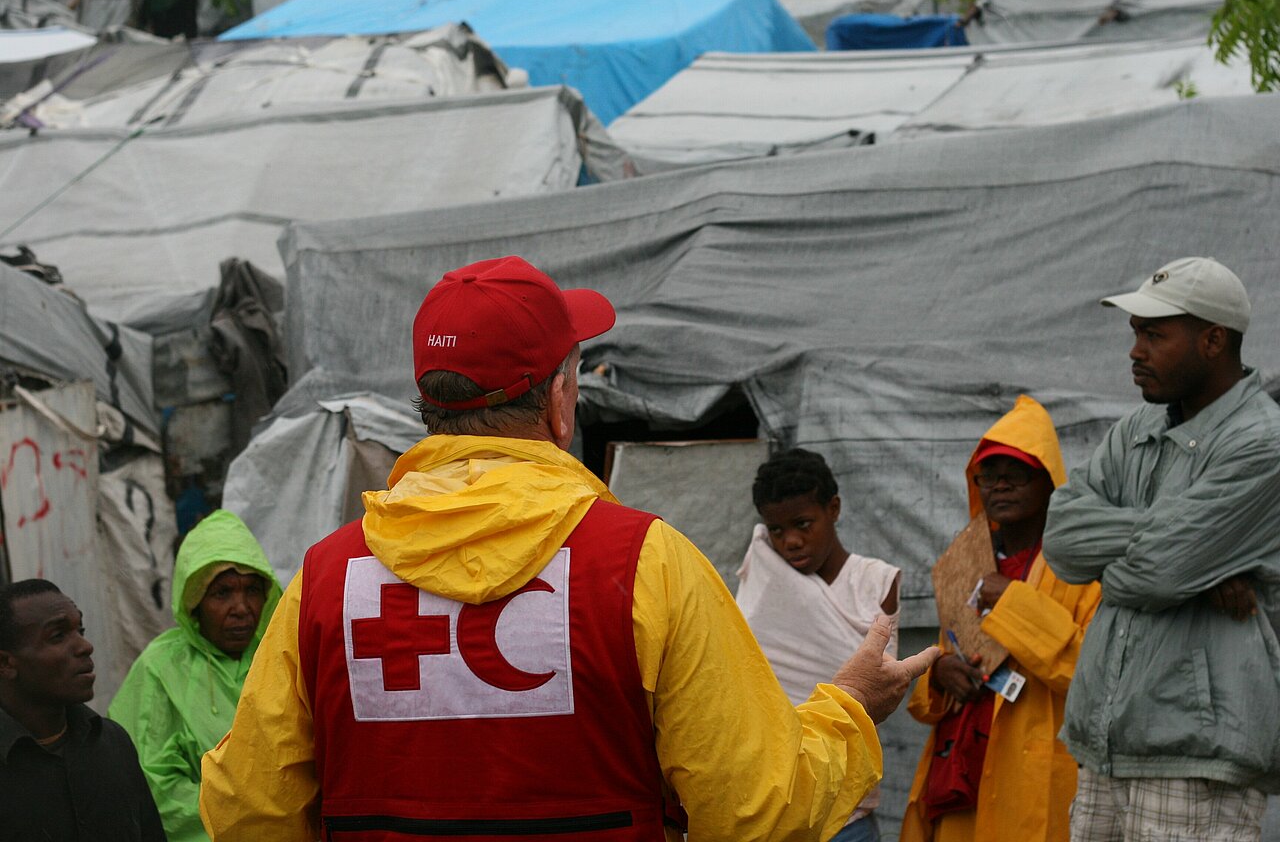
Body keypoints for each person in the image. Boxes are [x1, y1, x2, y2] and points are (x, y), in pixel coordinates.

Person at [200, 255, 939, 841]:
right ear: (559, 401)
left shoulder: (324, 581)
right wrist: (848, 709)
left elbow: (247, 808)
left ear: (432, 406)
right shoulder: (648, 563)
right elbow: (753, 810)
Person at [1043, 256, 1280, 842]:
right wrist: (1185, 544)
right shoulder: (1136, 430)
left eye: (1154, 334)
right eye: (1135, 333)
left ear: (1213, 340)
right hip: (1109, 740)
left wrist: (1157, 562)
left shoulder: (1262, 441)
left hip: (1195, 748)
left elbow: (1155, 573)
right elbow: (1061, 541)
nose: (1135, 350)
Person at [900, 395, 1102, 842]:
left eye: (1016, 475)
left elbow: (1095, 674)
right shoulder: (965, 560)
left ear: (1049, 482)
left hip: (1031, 778)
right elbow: (940, 661)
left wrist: (1011, 602)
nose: (1000, 486)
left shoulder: (1083, 567)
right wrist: (938, 673)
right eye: (989, 475)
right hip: (959, 777)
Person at [736, 447, 902, 842]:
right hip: (774, 802)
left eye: (803, 524)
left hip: (850, 811)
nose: (790, 541)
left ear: (834, 508)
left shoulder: (876, 581)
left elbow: (878, 685)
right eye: (777, 531)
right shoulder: (762, 567)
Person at [110, 509, 281, 842]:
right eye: (222, 593)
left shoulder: (282, 655)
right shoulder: (160, 668)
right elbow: (153, 785)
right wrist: (250, 818)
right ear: (194, 602)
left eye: (252, 590)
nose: (242, 607)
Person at [0, 578, 166, 841]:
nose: (84, 647)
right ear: (6, 663)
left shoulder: (112, 742)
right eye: (58, 636)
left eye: (81, 630)